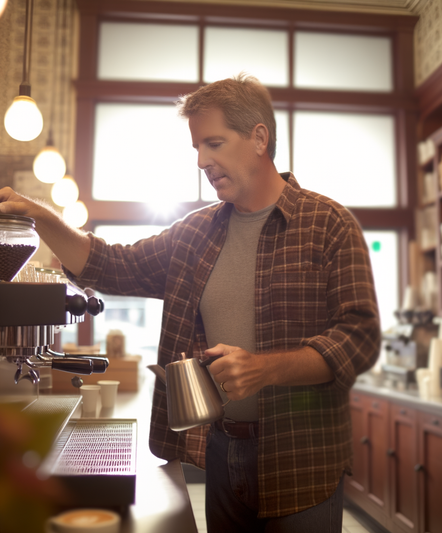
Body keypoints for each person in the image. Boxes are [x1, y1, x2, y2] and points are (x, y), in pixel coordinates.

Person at [0, 73, 381, 532]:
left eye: (214, 143)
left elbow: (359, 337)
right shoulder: (195, 233)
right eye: (197, 148)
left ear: (259, 137)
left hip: (302, 456)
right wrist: (42, 218)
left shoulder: (329, 224)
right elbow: (112, 265)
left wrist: (266, 368)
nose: (202, 160)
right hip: (219, 451)